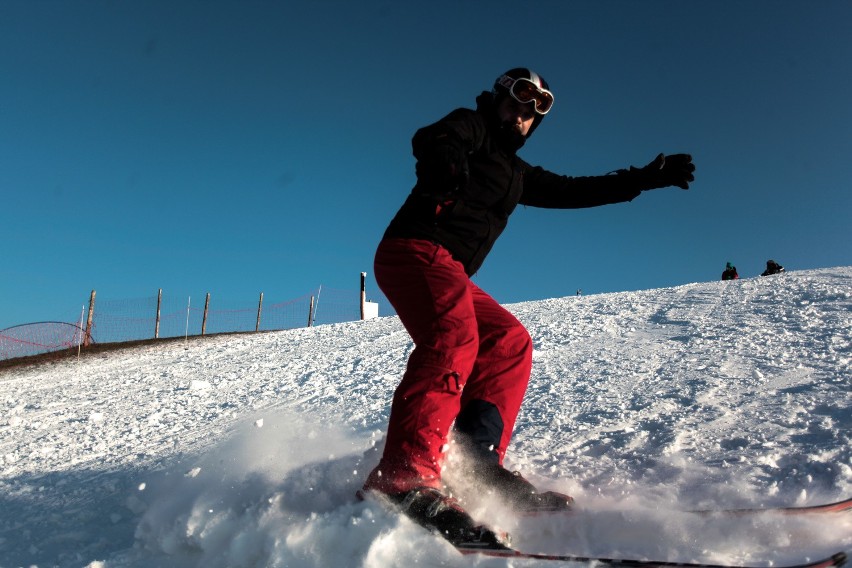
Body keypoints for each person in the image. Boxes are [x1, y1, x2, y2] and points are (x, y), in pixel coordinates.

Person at [360, 67, 695, 547]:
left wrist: (639, 179)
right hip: (414, 248)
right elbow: (434, 137)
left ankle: (475, 463)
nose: (524, 113)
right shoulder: (470, 128)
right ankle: (402, 480)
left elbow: (574, 190)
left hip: (448, 267)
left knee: (507, 341)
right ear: (497, 97)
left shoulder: (516, 174)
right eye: (518, 99)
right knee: (455, 336)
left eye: (537, 108)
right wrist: (446, 163)